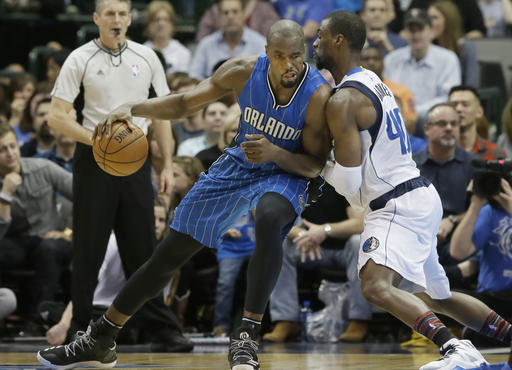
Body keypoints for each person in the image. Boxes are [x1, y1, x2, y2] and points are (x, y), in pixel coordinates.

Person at [37, 19, 331, 370]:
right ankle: (101, 338)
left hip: (289, 170)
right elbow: (184, 103)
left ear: (305, 53)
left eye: (296, 56)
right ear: (266, 54)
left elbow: (314, 164)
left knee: (268, 215)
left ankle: (246, 338)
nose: (289, 65)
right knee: (167, 256)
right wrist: (135, 107)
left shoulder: (317, 94)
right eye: (280, 56)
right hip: (241, 162)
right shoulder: (242, 71)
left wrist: (275, 154)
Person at [313, 10, 511, 369]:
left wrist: (315, 164)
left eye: (320, 36)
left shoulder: (344, 99)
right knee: (437, 295)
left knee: (374, 287)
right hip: (416, 193)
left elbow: (349, 182)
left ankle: (455, 348)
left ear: (339, 40)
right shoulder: (373, 80)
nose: (314, 42)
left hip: (395, 204)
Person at [45, 0, 190, 352]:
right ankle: (81, 327)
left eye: (122, 13)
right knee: (89, 250)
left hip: (136, 159)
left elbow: (163, 114)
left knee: (142, 249)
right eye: (109, 13)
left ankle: (160, 326)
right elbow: (57, 116)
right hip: (94, 160)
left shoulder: (146, 57)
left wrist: (167, 164)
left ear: (130, 19)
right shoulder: (80, 58)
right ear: (96, 19)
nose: (116, 19)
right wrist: (95, 139)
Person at [383, 8, 461, 123]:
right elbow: (386, 95)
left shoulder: (448, 59)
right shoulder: (391, 59)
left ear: (431, 31)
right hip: (399, 121)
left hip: (434, 120)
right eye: (411, 30)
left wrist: (413, 113)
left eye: (420, 29)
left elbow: (448, 98)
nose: (416, 35)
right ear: (405, 33)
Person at [189, 0, 267, 80]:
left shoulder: (260, 44)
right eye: (225, 13)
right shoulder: (206, 45)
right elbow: (194, 78)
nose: (230, 17)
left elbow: (265, 80)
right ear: (218, 16)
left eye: (235, 12)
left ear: (244, 14)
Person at [427, 1, 480, 88]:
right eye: (428, 18)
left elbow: (472, 85)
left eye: (435, 18)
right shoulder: (427, 48)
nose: (430, 23)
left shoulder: (465, 47)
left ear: (448, 20)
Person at [449, 85, 506, 161]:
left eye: (465, 104)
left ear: (479, 111)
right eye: (454, 105)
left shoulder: (495, 153)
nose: (459, 109)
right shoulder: (439, 152)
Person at [143, 1, 191, 75]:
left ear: (172, 24)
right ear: (149, 24)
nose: (161, 24)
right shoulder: (141, 51)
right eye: (156, 19)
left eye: (166, 19)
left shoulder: (183, 53)